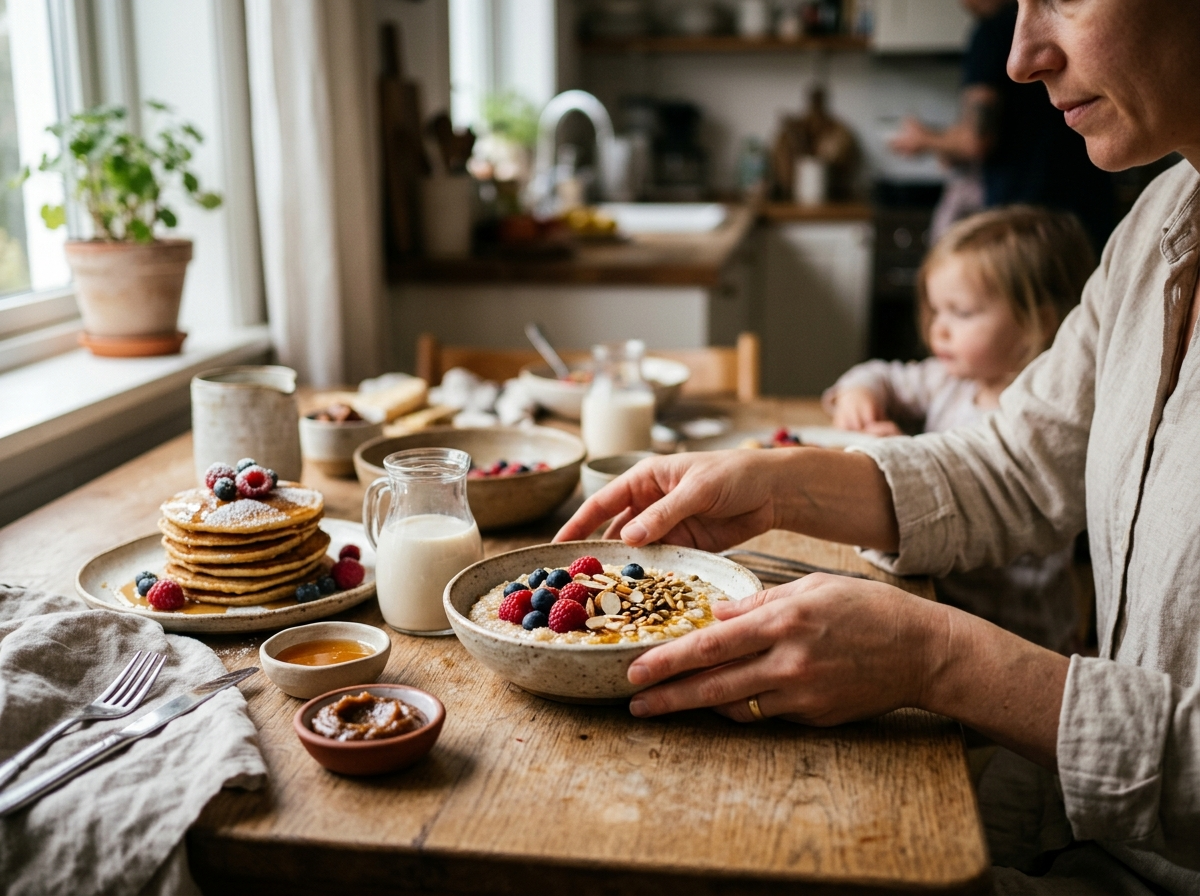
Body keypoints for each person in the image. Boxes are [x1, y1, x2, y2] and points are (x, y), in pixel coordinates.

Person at [556, 0, 1200, 889]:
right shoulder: (1163, 217)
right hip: (1084, 829)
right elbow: (1016, 465)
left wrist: (937, 659)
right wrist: (780, 484)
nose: (1020, 56)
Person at [826, 206, 1094, 652]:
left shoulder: (1050, 420)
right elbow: (881, 375)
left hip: (1021, 639)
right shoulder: (949, 380)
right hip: (934, 605)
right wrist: (859, 395)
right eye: (935, 310)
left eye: (962, 312)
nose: (938, 329)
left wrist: (906, 466)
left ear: (1038, 322)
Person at [889, 0, 1115, 252]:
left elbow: (976, 140)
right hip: (1092, 212)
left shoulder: (992, 34)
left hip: (1024, 223)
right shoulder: (1055, 28)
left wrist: (925, 139)